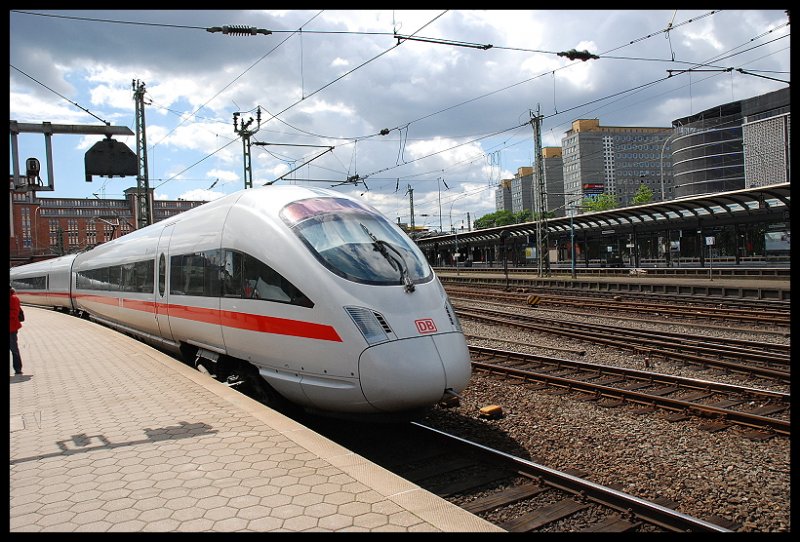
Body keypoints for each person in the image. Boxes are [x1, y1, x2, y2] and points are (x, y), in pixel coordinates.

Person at [10, 286, 24, 375]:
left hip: (11, 328)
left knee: (14, 349)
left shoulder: (13, 299)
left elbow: (14, 313)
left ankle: (18, 369)